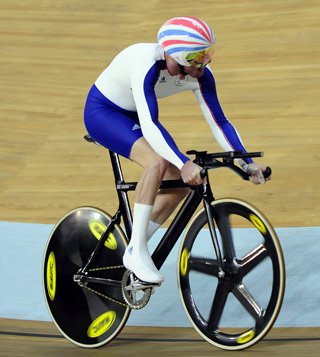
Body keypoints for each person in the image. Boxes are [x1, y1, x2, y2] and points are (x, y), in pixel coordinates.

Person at [83, 17, 270, 284]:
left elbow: (220, 121)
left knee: (181, 184)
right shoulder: (146, 64)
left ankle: (133, 241)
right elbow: (150, 125)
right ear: (178, 55)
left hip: (133, 115)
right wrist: (183, 162)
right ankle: (135, 251)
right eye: (197, 56)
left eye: (209, 54)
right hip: (103, 113)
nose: (205, 63)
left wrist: (247, 162)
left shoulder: (200, 75)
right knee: (156, 163)